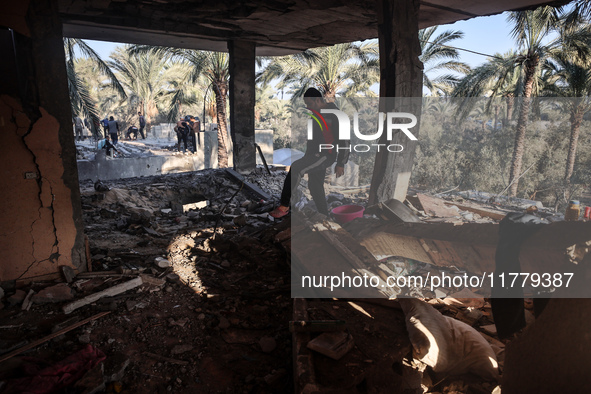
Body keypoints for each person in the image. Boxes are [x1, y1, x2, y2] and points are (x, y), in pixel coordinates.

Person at [270, 88, 349, 218]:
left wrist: (341, 162)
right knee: (314, 185)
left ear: (318, 100)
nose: (308, 107)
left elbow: (345, 140)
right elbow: (313, 139)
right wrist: (308, 155)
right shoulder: (316, 114)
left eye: (310, 104)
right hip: (314, 154)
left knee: (296, 168)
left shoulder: (336, 115)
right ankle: (324, 215)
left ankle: (284, 206)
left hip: (326, 155)